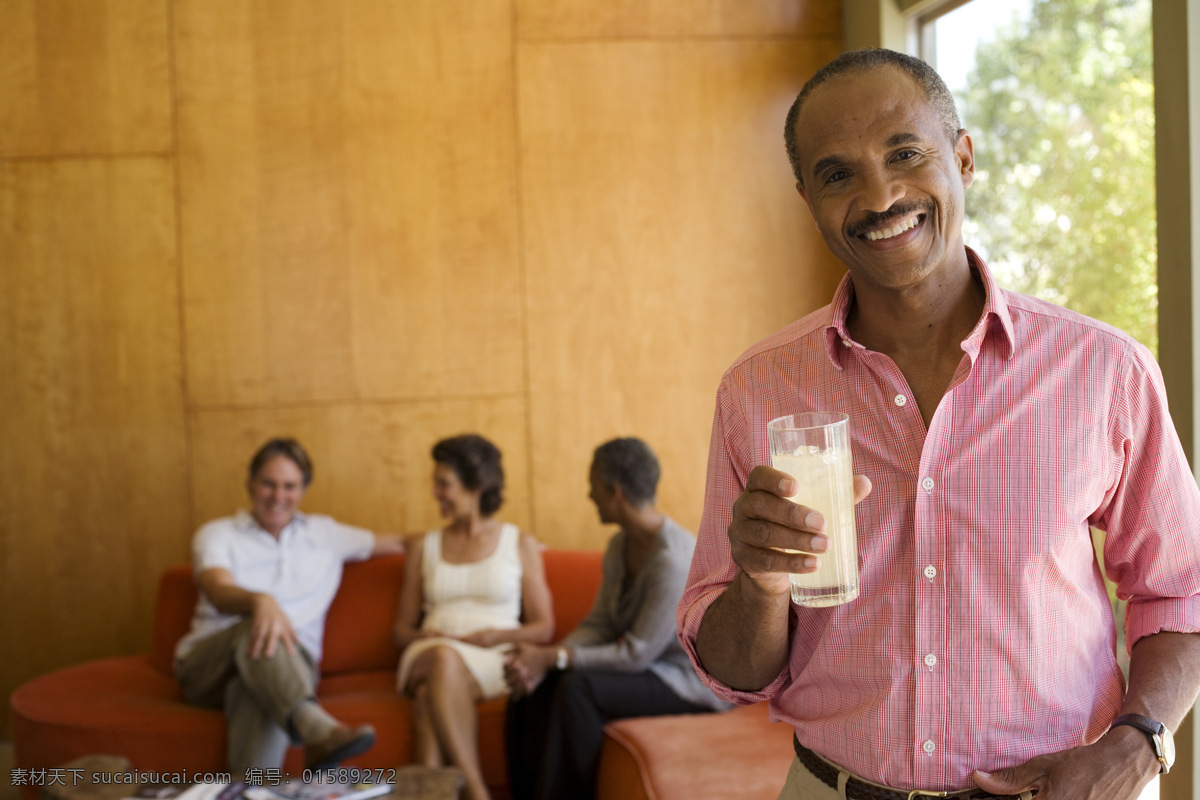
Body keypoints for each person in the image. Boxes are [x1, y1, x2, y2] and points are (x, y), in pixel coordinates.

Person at [676, 48, 1200, 800]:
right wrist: (760, 583)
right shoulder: (756, 391)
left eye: (905, 153)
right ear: (806, 197)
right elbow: (734, 671)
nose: (880, 195)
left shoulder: (1105, 371)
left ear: (963, 156)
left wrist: (1140, 745)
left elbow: (1180, 593)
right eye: (837, 173)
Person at [503, 437, 730, 800]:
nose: (588, 494)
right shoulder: (619, 546)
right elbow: (600, 624)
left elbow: (637, 653)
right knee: (534, 685)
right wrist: (544, 662)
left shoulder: (671, 560)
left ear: (614, 491)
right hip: (646, 667)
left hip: (684, 679)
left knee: (577, 687)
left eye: (592, 485)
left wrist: (553, 657)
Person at [174, 437, 406, 776]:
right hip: (208, 666)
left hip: (289, 669)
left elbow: (401, 542)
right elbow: (217, 589)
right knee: (260, 631)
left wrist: (477, 536)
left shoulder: (325, 534)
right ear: (251, 483)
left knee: (256, 686)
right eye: (268, 484)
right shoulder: (217, 534)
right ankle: (316, 729)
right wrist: (260, 602)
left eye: (289, 486)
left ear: (303, 489)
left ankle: (252, 790)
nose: (278, 496)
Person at [393, 433, 554, 800]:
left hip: (492, 657)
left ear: (477, 485)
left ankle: (428, 793)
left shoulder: (519, 544)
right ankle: (477, 790)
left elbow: (544, 627)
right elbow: (401, 632)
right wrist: (430, 636)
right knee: (441, 659)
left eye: (443, 483)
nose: (436, 492)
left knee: (427, 698)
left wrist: (492, 637)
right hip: (430, 650)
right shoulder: (424, 547)